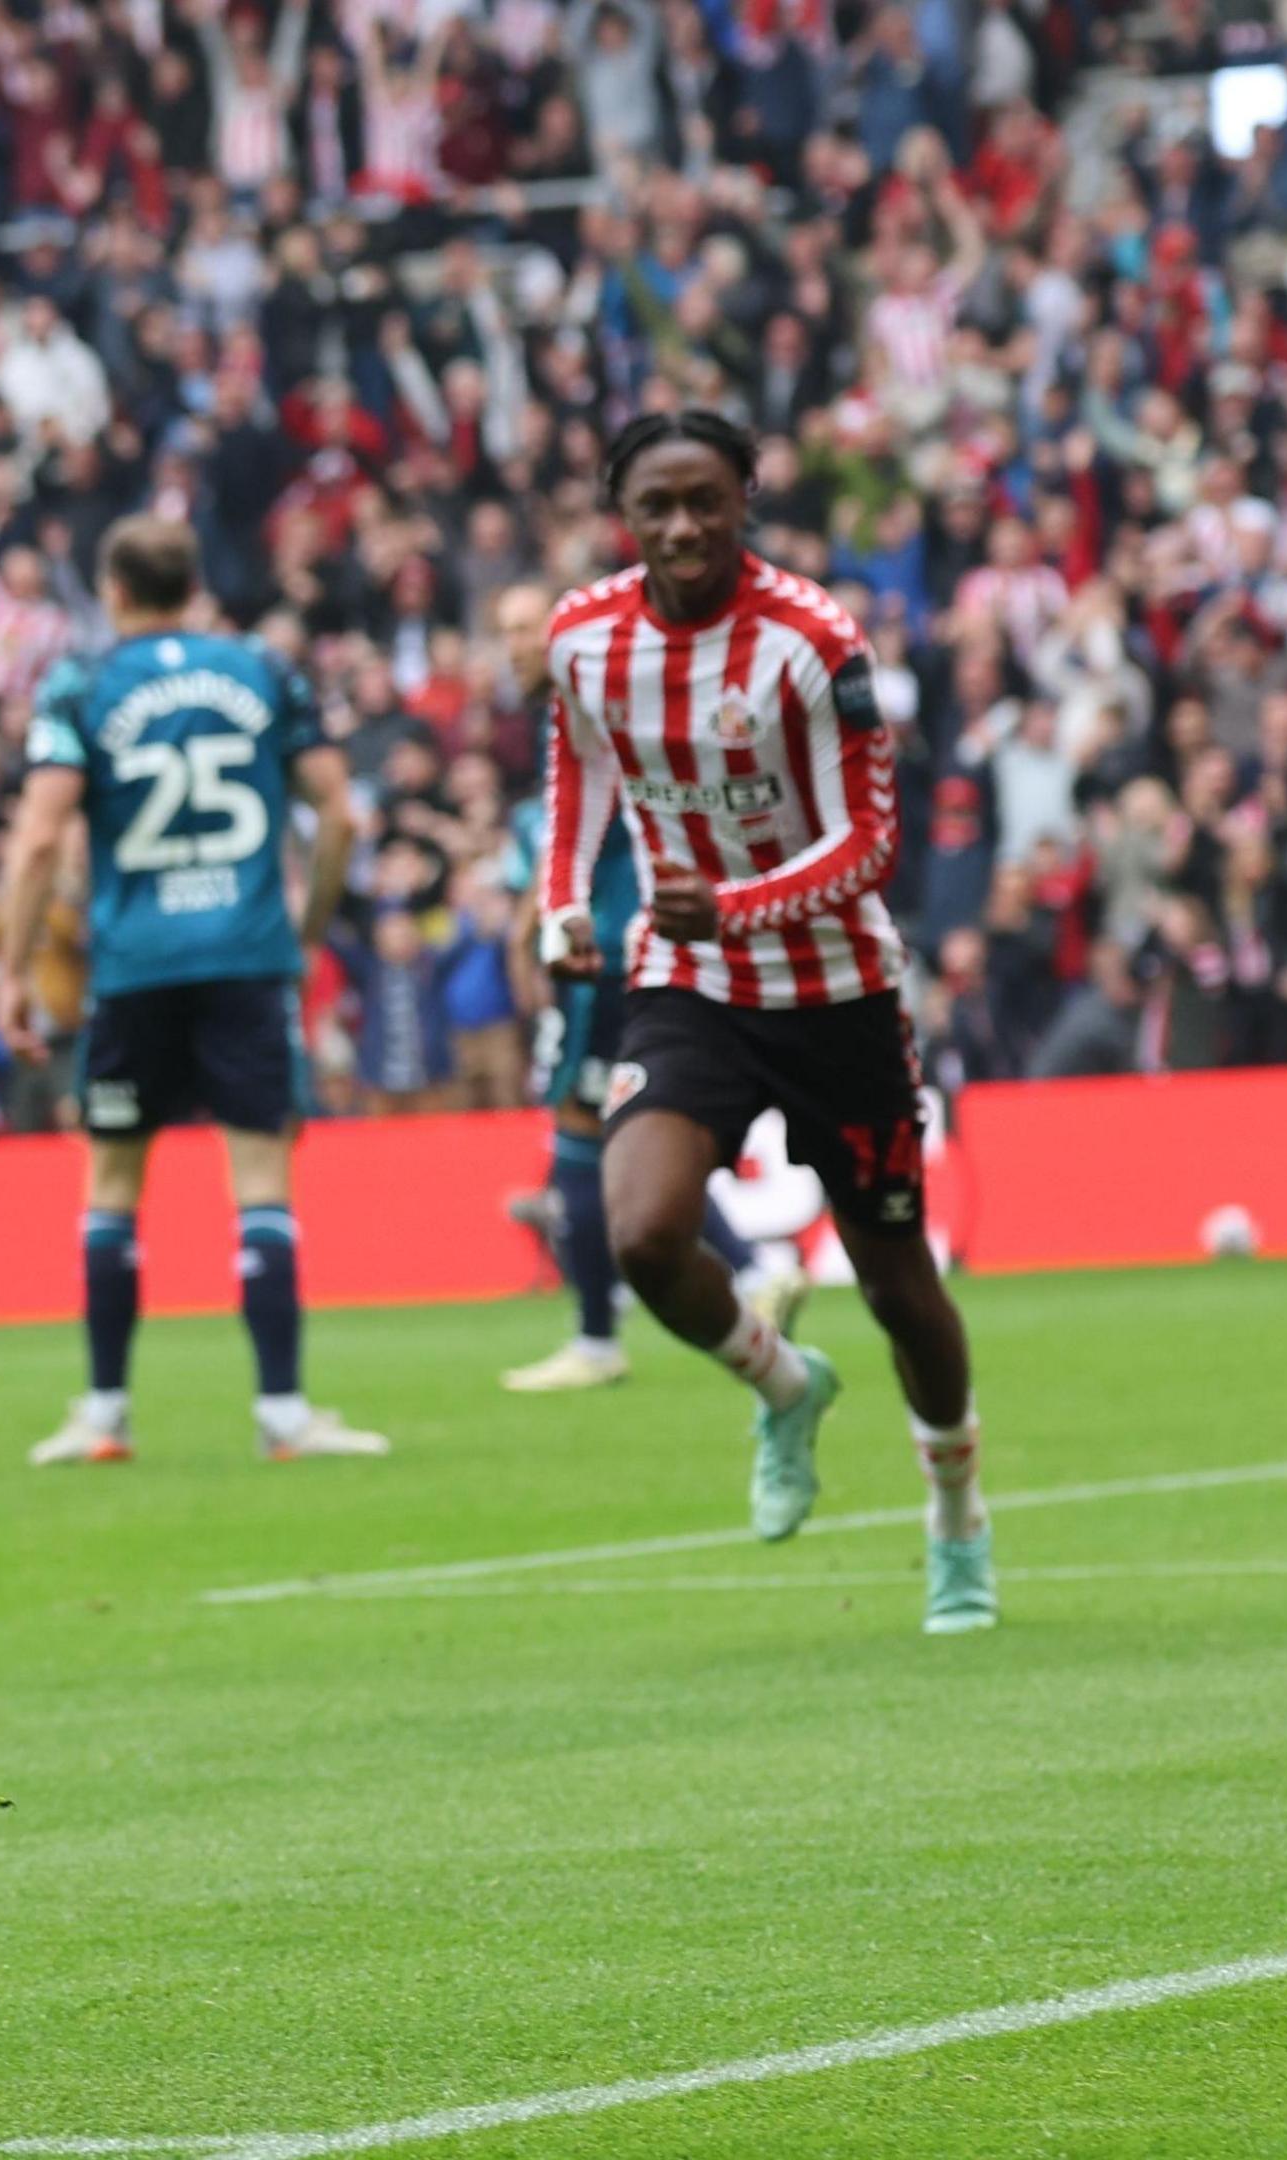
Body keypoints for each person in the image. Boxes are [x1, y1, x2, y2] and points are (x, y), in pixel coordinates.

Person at [538, 410, 993, 1635]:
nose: (683, 526)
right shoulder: (584, 638)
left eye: (705, 500)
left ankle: (956, 1514)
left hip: (839, 996)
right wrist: (561, 907)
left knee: (900, 1286)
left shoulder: (812, 640)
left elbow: (873, 842)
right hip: (690, 988)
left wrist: (735, 902)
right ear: (621, 515)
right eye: (656, 506)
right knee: (642, 1234)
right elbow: (579, 771)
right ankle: (784, 1383)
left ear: (746, 497)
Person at [0, 515, 389, 1467]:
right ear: (196, 585)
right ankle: (285, 1413)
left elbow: (42, 837)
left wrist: (10, 972)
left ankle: (104, 1413)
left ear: (113, 591)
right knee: (259, 1179)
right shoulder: (264, 669)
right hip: (248, 959)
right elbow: (339, 813)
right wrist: (305, 926)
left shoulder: (82, 682)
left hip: (134, 965)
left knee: (114, 1184)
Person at [487, 580, 802, 1393]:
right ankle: (611, 1324)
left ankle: (729, 1275)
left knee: (591, 1130)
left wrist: (545, 922)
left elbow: (594, 833)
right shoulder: (590, 712)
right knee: (603, 1135)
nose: (515, 644)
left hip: (616, 955)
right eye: (507, 631)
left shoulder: (596, 713)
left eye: (526, 627)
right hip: (625, 946)